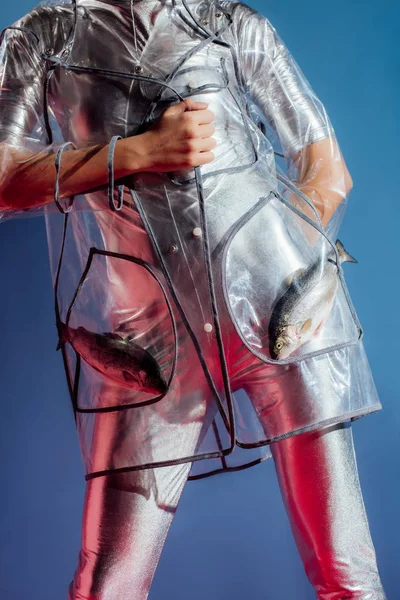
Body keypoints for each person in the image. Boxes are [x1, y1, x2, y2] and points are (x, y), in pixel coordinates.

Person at [0, 0, 387, 598]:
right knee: (108, 582)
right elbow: (2, 180)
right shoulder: (43, 37)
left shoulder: (233, 24)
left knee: (347, 573)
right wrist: (136, 153)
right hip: (147, 345)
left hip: (282, 323)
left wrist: (289, 282)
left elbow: (326, 167)